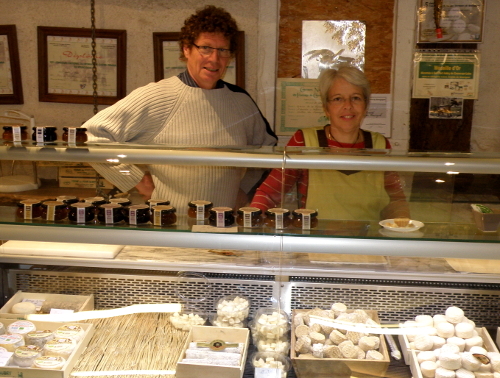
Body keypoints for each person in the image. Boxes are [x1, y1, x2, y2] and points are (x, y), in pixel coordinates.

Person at [83, 5, 277, 209]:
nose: (214, 58)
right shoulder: (158, 96)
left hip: (224, 225)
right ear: (187, 49)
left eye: (222, 50)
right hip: (171, 225)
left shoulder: (241, 102)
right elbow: (92, 135)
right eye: (206, 48)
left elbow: (267, 152)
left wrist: (245, 189)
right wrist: (138, 182)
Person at [250, 65, 410, 221]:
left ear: (366, 106)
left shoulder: (380, 145)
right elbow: (269, 193)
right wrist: (252, 222)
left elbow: (396, 201)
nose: (348, 106)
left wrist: (402, 227)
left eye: (356, 98)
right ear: (326, 108)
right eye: (338, 99)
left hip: (367, 242)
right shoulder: (304, 141)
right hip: (316, 243)